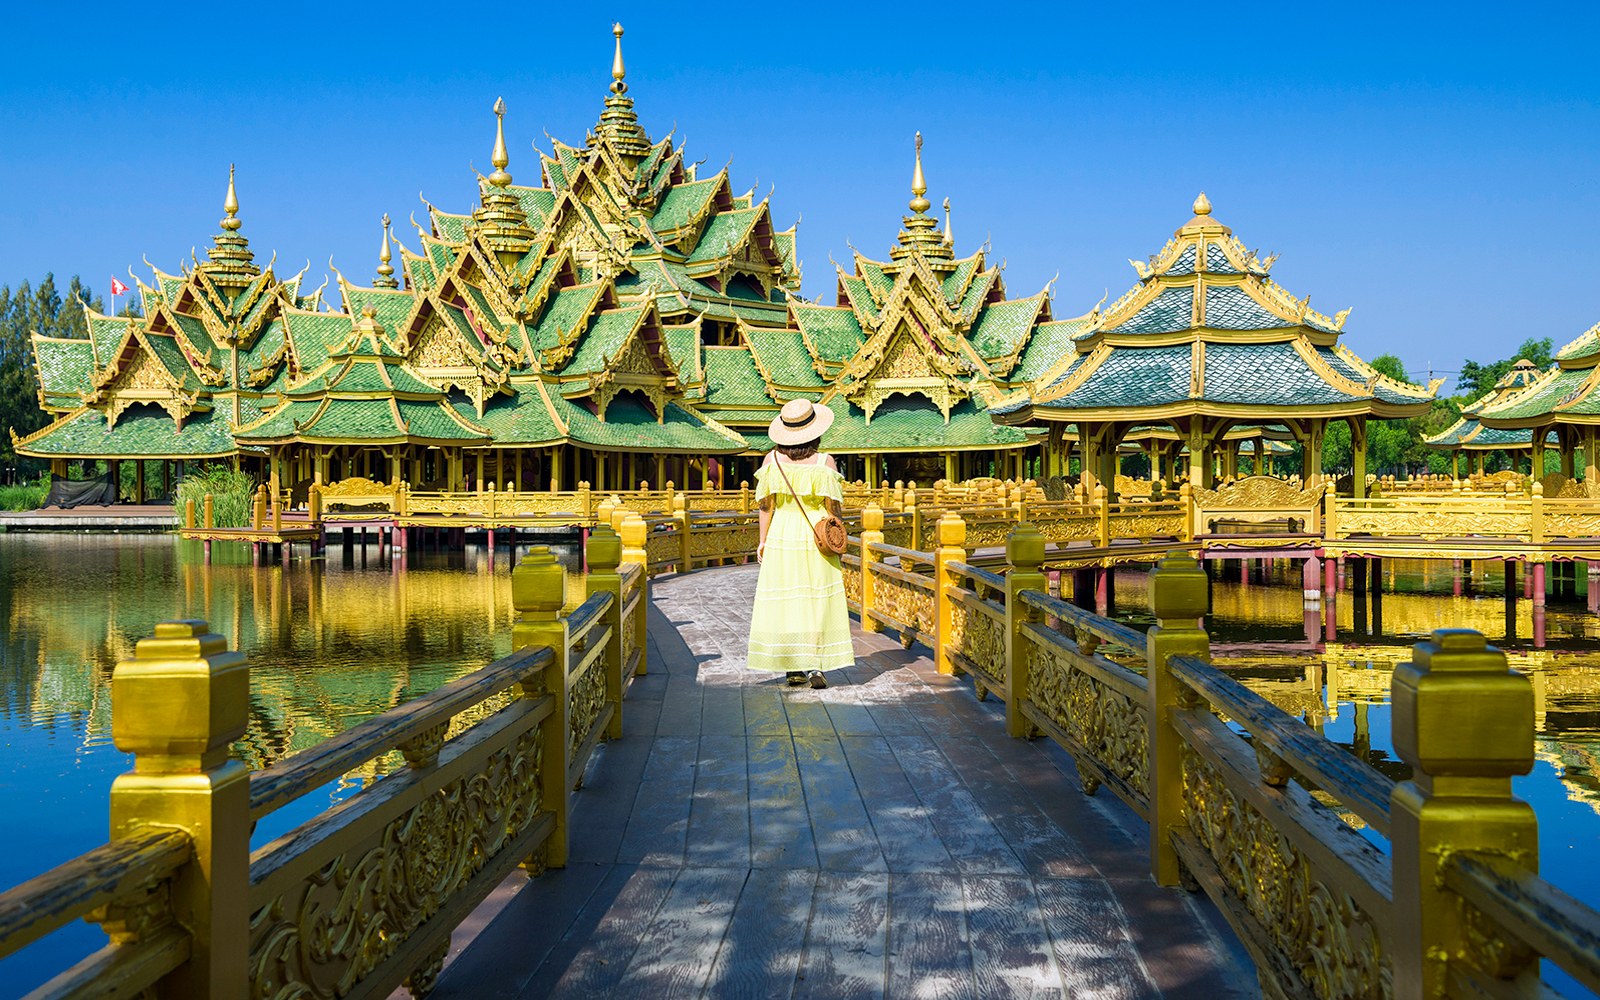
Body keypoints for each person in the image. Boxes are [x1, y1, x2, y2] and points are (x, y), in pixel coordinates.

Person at [746, 399, 853, 688]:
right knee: (816, 600)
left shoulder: (772, 461)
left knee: (786, 601)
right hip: (816, 534)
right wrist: (837, 536)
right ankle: (815, 665)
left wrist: (762, 541)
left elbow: (766, 507)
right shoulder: (825, 462)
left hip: (782, 534)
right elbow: (833, 510)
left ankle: (791, 668)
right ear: (815, 431)